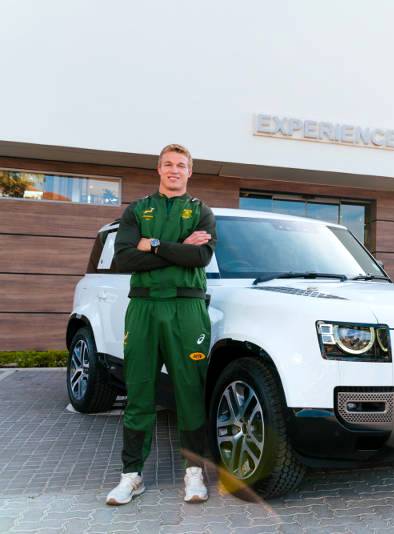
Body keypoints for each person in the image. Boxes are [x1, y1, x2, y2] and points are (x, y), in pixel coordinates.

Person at [106, 144, 216, 505]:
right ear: (158, 169)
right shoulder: (137, 210)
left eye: (180, 165)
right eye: (168, 164)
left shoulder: (201, 211)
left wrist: (151, 244)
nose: (174, 170)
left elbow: (199, 255)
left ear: (189, 172)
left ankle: (194, 474)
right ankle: (131, 475)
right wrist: (175, 247)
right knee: (139, 391)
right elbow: (124, 258)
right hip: (144, 309)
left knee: (190, 391)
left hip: (186, 309)